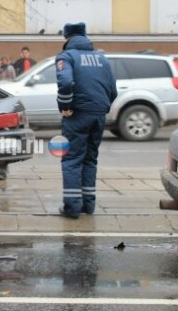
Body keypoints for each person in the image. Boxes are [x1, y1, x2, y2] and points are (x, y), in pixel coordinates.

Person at [56, 22, 117, 219]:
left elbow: (65, 82)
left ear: (67, 38)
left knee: (72, 160)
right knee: (90, 160)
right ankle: (88, 206)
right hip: (98, 114)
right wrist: (102, 108)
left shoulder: (67, 56)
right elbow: (112, 89)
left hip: (77, 115)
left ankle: (72, 208)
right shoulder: (101, 58)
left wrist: (65, 107)